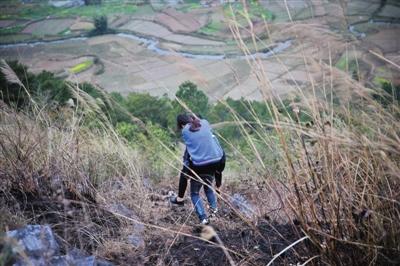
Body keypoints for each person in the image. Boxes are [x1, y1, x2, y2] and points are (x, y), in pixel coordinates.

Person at [170, 114, 224, 225]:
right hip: (215, 162)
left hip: (200, 166)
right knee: (208, 189)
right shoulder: (205, 123)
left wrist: (186, 173)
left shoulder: (185, 131)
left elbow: (187, 159)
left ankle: (203, 218)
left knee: (194, 193)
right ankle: (214, 215)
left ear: (182, 125)